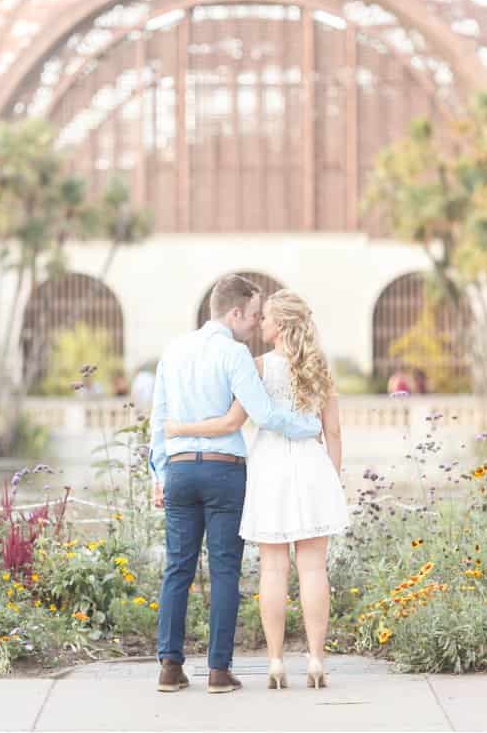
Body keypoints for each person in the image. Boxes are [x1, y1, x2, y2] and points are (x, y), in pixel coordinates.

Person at [149, 275, 323, 695]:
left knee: (177, 568)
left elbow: (158, 421)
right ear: (234, 312)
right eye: (253, 314)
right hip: (224, 471)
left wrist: (158, 474)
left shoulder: (172, 352)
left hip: (180, 470)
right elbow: (263, 414)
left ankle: (169, 668)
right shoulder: (236, 354)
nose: (255, 323)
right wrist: (308, 426)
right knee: (225, 570)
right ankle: (218, 672)